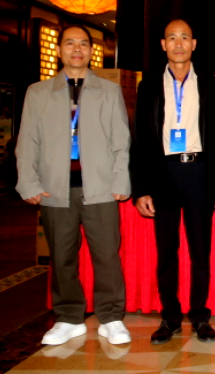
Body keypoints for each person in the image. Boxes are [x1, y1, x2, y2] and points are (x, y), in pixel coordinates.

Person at [16, 25, 131, 345]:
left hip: (100, 187)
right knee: (62, 257)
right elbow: (27, 142)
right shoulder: (38, 92)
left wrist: (120, 180)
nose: (77, 49)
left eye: (83, 44)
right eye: (70, 43)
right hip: (55, 188)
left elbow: (121, 141)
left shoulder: (108, 91)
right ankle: (68, 318)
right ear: (59, 50)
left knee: (106, 256)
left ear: (92, 52)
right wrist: (28, 183)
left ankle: (111, 317)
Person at [132, 19, 215, 344]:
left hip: (199, 173)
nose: (179, 44)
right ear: (163, 44)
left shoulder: (211, 83)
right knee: (166, 250)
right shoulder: (149, 85)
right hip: (163, 173)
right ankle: (170, 316)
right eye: (172, 38)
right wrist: (141, 187)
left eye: (185, 37)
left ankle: (200, 316)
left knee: (200, 250)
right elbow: (140, 139)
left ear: (194, 44)